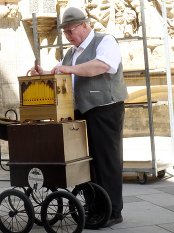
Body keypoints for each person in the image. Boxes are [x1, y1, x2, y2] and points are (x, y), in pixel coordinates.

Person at [31, 7, 128, 227]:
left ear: (85, 25)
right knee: (87, 163)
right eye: (64, 32)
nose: (67, 35)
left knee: (106, 161)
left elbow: (102, 66)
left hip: (104, 109)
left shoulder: (105, 41)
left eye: (70, 30)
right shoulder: (71, 53)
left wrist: (65, 68)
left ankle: (112, 211)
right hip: (79, 112)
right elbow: (62, 74)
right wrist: (43, 72)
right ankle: (95, 207)